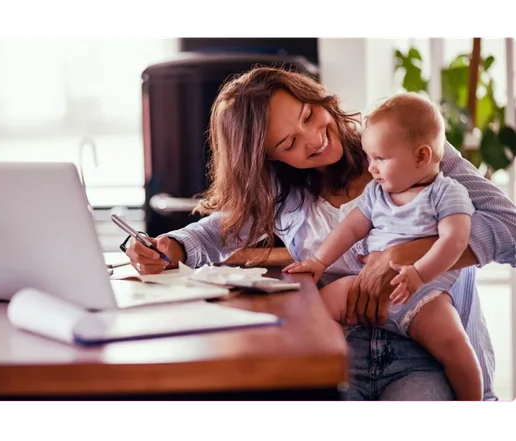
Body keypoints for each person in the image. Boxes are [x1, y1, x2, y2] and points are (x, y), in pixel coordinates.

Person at [125, 66, 516, 401]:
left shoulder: (406, 143)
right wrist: (170, 246)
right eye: (290, 142)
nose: (314, 138)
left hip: (428, 352)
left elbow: (510, 228)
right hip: (341, 350)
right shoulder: (283, 192)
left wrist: (402, 255)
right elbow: (215, 231)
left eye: (309, 115)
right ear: (269, 158)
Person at [283, 92, 482, 401]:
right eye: (369, 157)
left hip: (423, 295)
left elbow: (455, 241)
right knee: (319, 305)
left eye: (380, 159)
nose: (371, 168)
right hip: (367, 285)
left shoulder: (447, 193)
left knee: (456, 346)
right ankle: (336, 369)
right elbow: (350, 228)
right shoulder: (378, 193)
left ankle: (473, 401)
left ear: (420, 157)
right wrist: (319, 262)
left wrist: (417, 273)